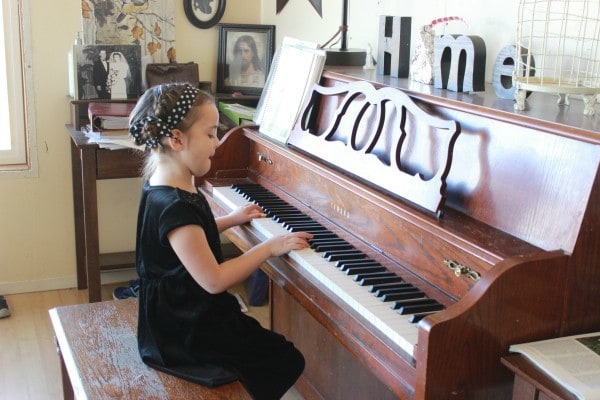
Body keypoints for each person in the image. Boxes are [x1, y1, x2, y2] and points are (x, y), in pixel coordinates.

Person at [128, 83, 310, 399]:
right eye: (211, 134)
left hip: (175, 317)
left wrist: (231, 219)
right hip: (184, 332)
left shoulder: (163, 186)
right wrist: (268, 247)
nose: (217, 143)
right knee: (286, 358)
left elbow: (188, 237)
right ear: (176, 138)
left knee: (262, 345)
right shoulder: (175, 206)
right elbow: (214, 280)